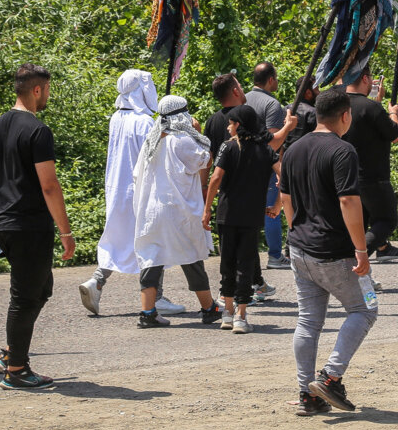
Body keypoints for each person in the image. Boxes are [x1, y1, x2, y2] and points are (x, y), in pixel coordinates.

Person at [280, 87, 377, 416]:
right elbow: (348, 200)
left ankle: (308, 394)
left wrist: (297, 230)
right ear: (345, 115)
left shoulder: (293, 149)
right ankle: (331, 377)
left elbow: (286, 199)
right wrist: (361, 249)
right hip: (334, 251)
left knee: (308, 321)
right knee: (365, 310)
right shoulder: (343, 150)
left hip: (299, 248)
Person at [0, 64, 75, 390]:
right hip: (29, 225)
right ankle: (16, 370)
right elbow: (49, 185)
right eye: (47, 90)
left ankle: (12, 352)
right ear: (37, 90)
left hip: (4, 222)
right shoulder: (37, 130)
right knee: (24, 297)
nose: (47, 96)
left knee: (41, 288)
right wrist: (66, 232)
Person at [133, 95, 222, 328]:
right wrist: (198, 131)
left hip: (151, 210)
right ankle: (208, 308)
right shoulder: (182, 140)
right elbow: (206, 161)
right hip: (177, 210)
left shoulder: (151, 141)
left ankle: (147, 313)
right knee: (191, 257)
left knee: (152, 258)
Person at [80, 70, 159, 316]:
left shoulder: (116, 118)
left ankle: (96, 281)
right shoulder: (145, 122)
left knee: (117, 238)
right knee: (151, 242)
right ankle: (158, 295)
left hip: (116, 188)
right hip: (139, 190)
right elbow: (152, 158)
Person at [204, 105, 280, 333]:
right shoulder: (265, 150)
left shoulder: (228, 147)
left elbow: (216, 178)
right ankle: (241, 315)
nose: (228, 126)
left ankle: (227, 312)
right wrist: (277, 205)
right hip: (252, 215)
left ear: (239, 124)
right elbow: (284, 175)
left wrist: (207, 209)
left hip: (227, 214)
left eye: (231, 122)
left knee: (227, 262)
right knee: (246, 265)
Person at [343, 65, 398, 261]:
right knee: (386, 221)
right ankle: (353, 259)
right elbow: (394, 134)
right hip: (373, 175)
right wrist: (393, 113)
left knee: (358, 225)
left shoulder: (339, 105)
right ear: (364, 79)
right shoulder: (371, 108)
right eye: (369, 78)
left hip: (345, 174)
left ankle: (358, 274)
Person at [245, 62, 293, 271]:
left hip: (241, 164)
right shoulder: (272, 105)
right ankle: (274, 255)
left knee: (246, 213)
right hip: (265, 167)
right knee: (271, 210)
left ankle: (247, 256)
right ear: (271, 79)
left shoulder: (242, 99)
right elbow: (273, 142)